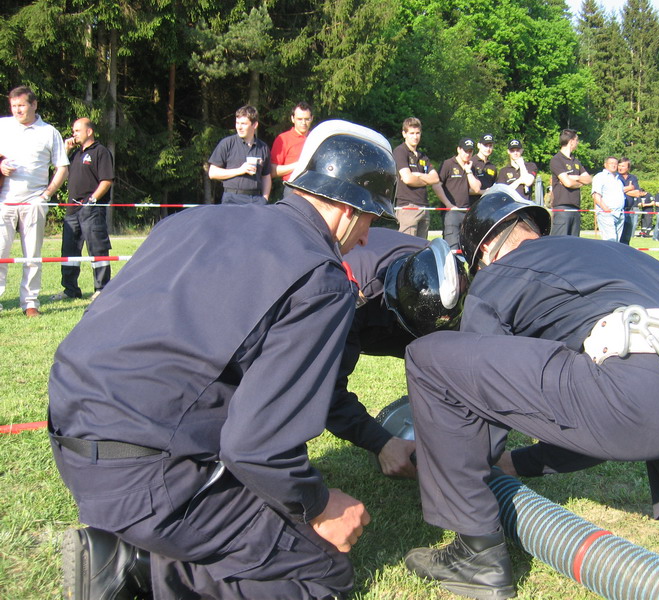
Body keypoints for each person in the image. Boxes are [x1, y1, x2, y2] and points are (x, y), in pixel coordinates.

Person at [49, 120, 398, 600]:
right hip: (142, 475)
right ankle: (134, 565)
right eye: (371, 219)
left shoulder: (192, 220)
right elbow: (256, 448)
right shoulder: (322, 278)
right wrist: (319, 505)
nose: (365, 239)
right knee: (321, 573)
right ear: (347, 207)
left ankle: (140, 545)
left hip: (69, 433)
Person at [402, 187, 659, 599]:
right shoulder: (608, 252)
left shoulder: (497, 275)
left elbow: (479, 408)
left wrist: (461, 461)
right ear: (533, 228)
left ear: (483, 253)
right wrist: (526, 462)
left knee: (430, 356)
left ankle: (476, 556)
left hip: (646, 402)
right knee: (656, 365)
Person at [331, 228, 468, 479]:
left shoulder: (444, 269)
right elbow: (325, 390)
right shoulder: (343, 295)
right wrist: (380, 442)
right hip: (359, 306)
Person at [0, 86, 69, 317]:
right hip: (3, 201)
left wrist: (45, 196)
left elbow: (62, 168)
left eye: (22, 105)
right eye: (13, 106)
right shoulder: (2, 126)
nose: (17, 110)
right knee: (0, 253)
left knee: (32, 254)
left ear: (34, 105)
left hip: (34, 201)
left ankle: (30, 303)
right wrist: (0, 165)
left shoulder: (49, 132)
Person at [51, 118, 114, 302]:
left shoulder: (101, 152)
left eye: (77, 130)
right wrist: (66, 151)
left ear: (89, 131)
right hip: (72, 209)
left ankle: (101, 289)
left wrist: (92, 200)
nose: (74, 134)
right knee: (69, 250)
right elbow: (59, 173)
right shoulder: (75, 155)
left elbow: (106, 180)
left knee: (97, 249)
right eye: (73, 131)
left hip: (91, 209)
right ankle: (70, 290)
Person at [207, 105, 271, 204]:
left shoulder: (263, 147)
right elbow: (212, 173)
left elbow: (266, 176)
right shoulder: (227, 143)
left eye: (243, 124)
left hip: (256, 200)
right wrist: (240, 170)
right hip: (232, 198)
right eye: (237, 123)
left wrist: (265, 198)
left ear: (255, 125)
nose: (239, 127)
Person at [393, 117, 441, 239]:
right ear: (404, 134)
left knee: (421, 247)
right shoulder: (400, 151)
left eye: (417, 133)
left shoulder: (423, 156)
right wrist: (426, 179)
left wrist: (418, 175)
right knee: (407, 246)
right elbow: (408, 179)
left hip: (424, 206)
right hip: (408, 206)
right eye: (411, 133)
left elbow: (436, 179)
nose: (415, 136)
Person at [434, 138, 481, 248]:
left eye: (470, 151)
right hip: (451, 213)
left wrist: (468, 171)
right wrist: (448, 204)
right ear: (459, 149)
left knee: (467, 249)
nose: (468, 154)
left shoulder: (471, 167)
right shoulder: (448, 164)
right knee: (452, 248)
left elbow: (476, 188)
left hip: (466, 212)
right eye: (465, 151)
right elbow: (436, 185)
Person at [549, 129, 591, 237]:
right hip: (562, 208)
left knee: (574, 244)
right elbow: (568, 183)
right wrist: (580, 182)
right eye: (577, 140)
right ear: (571, 141)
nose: (578, 143)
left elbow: (589, 179)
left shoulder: (575, 161)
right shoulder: (556, 160)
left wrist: (576, 177)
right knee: (560, 243)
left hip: (576, 208)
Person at [270, 101, 314, 183]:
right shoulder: (283, 139)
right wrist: (298, 165)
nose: (303, 123)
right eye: (299, 119)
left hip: (314, 185)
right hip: (292, 185)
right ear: (292, 119)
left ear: (312, 118)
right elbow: (272, 171)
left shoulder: (316, 137)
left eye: (307, 119)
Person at [591, 156, 626, 241]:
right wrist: (605, 209)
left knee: (617, 242)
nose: (614, 165)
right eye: (611, 163)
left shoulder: (619, 179)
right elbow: (596, 195)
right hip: (606, 214)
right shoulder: (600, 177)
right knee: (610, 240)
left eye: (615, 164)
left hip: (620, 213)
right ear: (605, 165)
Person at [618, 157, 646, 245]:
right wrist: (629, 188)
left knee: (627, 236)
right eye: (619, 165)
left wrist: (623, 190)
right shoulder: (615, 177)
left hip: (630, 210)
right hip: (618, 210)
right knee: (617, 236)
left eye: (623, 166)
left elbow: (637, 193)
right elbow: (614, 191)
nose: (620, 168)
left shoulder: (633, 178)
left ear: (628, 168)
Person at [469, 133, 498, 204]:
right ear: (478, 145)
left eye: (490, 146)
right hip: (472, 204)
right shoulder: (470, 163)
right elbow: (464, 190)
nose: (488, 149)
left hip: (487, 205)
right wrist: (483, 192)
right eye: (485, 145)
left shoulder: (492, 167)